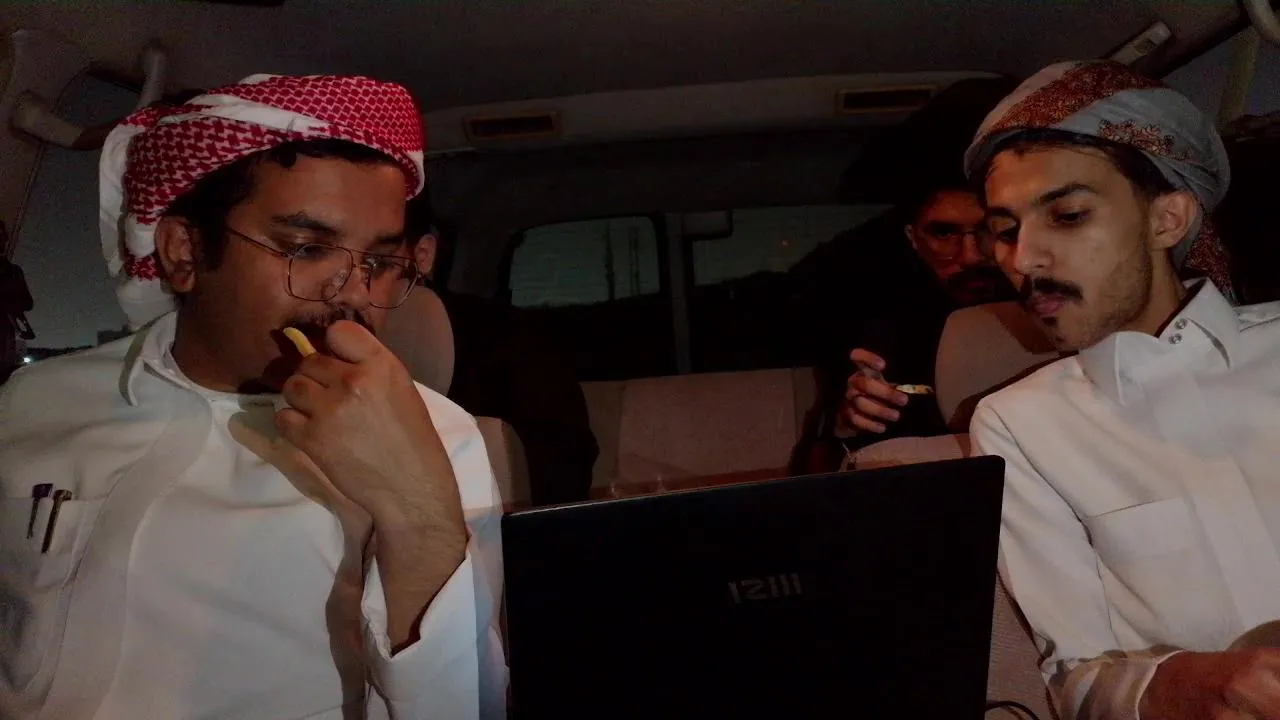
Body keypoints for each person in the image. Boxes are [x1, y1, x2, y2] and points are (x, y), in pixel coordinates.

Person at [0, 74, 505, 719]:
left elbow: (466, 708)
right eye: (308, 249)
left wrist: (414, 503)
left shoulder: (439, 438)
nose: (355, 293)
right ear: (184, 252)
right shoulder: (33, 401)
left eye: (379, 263)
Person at [965, 60, 1277, 720]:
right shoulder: (1019, 425)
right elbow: (1076, 676)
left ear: (1168, 219)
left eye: (1067, 215)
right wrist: (1181, 685)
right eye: (1004, 231)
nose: (1023, 259)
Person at [791, 184, 1016, 472]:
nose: (970, 255)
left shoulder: (1048, 310)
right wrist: (849, 418)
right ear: (913, 238)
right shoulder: (877, 322)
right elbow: (830, 439)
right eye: (944, 233)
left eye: (988, 230)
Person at [392, 193, 600, 505]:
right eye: (320, 252)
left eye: (374, 262)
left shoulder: (512, 341)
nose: (348, 286)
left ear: (422, 255)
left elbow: (564, 474)